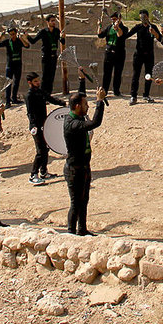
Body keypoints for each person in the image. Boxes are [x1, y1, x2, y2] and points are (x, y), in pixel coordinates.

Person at [63, 87, 107, 235]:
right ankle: (70, 232)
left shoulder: (78, 117)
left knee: (84, 200)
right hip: (74, 169)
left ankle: (82, 230)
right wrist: (99, 101)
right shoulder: (72, 123)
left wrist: (82, 81)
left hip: (83, 166)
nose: (87, 106)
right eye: (85, 104)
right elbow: (95, 122)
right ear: (77, 107)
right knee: (76, 203)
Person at [25, 71, 66, 186]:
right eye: (35, 81)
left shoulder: (40, 92)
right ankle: (33, 175)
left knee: (45, 149)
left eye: (38, 80)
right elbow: (30, 112)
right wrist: (33, 126)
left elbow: (51, 98)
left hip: (45, 124)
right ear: (30, 82)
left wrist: (63, 103)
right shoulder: (29, 95)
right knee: (40, 151)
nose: (38, 83)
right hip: (36, 127)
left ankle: (43, 172)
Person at [124, 9, 162, 105]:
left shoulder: (153, 27)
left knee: (148, 75)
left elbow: (160, 38)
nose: (143, 19)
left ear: (148, 17)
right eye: (141, 17)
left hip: (149, 55)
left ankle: (146, 95)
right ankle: (133, 96)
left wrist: (154, 33)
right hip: (138, 55)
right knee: (135, 75)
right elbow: (127, 35)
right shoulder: (138, 27)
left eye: (144, 17)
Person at [28, 17, 65, 96]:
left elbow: (63, 42)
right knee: (45, 77)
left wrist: (62, 36)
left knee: (51, 77)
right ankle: (43, 94)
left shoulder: (57, 31)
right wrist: (27, 36)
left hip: (53, 56)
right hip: (46, 57)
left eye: (54, 21)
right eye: (52, 21)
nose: (54, 22)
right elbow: (33, 41)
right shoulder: (43, 32)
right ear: (47, 22)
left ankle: (49, 94)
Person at [98, 11, 129, 97]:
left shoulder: (124, 28)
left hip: (119, 53)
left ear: (119, 19)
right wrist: (99, 26)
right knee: (107, 73)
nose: (113, 21)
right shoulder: (109, 27)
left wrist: (117, 27)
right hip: (109, 52)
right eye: (112, 20)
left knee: (118, 73)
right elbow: (100, 35)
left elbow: (120, 35)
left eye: (115, 19)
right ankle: (105, 91)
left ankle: (116, 91)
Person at [0, 27, 29, 106]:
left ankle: (14, 98)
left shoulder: (19, 41)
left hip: (18, 65)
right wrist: (0, 36)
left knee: (16, 82)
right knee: (8, 83)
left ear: (16, 33)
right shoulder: (7, 42)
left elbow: (27, 45)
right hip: (10, 66)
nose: (12, 36)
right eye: (11, 35)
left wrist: (21, 38)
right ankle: (7, 101)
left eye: (13, 34)